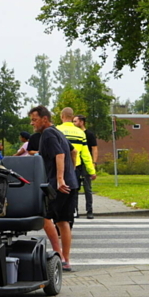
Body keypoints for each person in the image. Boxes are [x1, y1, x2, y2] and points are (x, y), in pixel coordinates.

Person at [29, 105, 78, 271]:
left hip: (59, 185)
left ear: (44, 119)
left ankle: (58, 255)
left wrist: (60, 179)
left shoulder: (48, 134)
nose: (32, 123)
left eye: (34, 120)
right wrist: (71, 172)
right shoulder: (58, 132)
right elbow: (74, 151)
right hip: (71, 183)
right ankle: (66, 260)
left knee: (44, 216)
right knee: (63, 221)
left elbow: (60, 154)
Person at [57, 108, 97, 220]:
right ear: (71, 117)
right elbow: (86, 155)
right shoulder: (80, 133)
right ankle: (73, 211)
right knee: (73, 190)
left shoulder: (56, 130)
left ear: (62, 116)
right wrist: (92, 170)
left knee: (59, 191)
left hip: (59, 166)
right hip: (75, 167)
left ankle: (61, 214)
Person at [74, 114, 99, 218]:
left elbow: (94, 148)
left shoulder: (89, 134)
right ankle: (75, 210)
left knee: (87, 188)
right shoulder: (75, 134)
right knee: (75, 187)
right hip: (76, 163)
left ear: (81, 122)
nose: (73, 123)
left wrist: (94, 163)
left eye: (75, 121)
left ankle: (89, 211)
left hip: (86, 163)